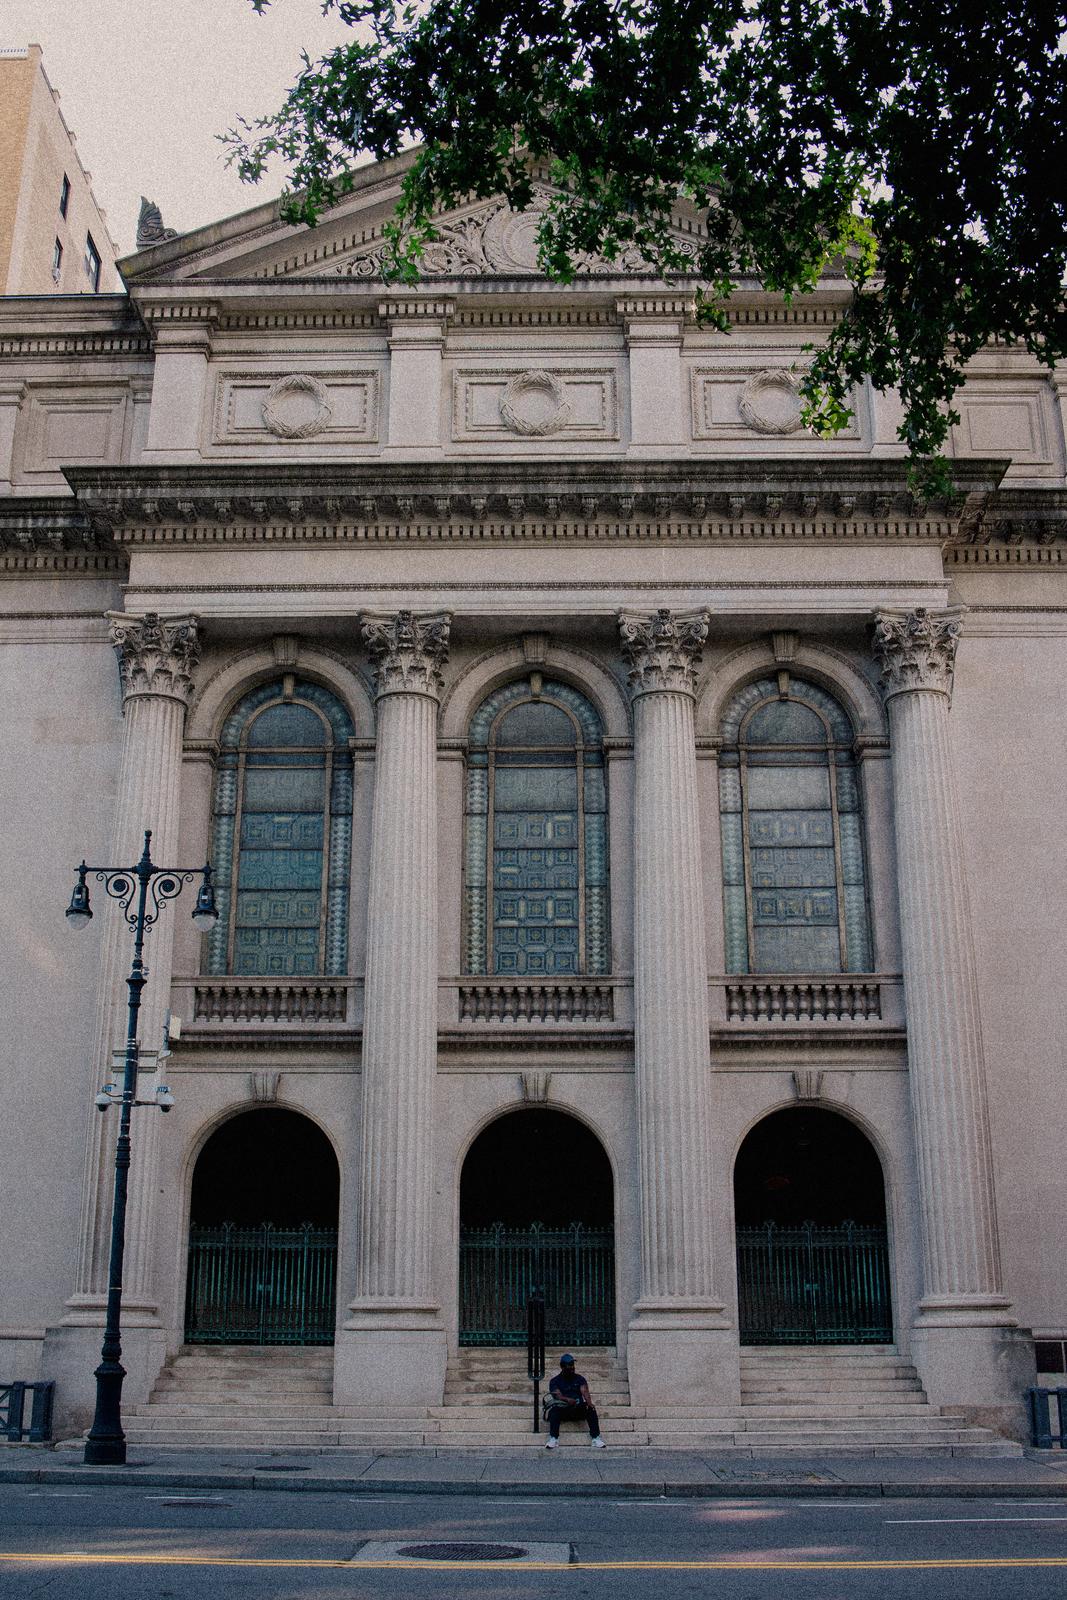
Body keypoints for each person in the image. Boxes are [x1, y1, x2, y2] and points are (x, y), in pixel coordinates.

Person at [544, 1353, 606, 1448]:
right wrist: (568, 1400)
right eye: (569, 1365)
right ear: (562, 1366)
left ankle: (596, 1438)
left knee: (590, 1408)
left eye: (573, 1364)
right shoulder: (555, 1381)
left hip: (577, 1409)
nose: (572, 1367)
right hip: (563, 1409)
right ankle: (553, 1438)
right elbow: (558, 1396)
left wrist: (589, 1403)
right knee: (554, 1410)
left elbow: (585, 1392)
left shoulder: (579, 1379)